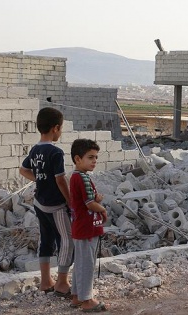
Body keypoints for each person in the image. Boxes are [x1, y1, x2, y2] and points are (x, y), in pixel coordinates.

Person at [20, 107, 73, 297]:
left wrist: (40, 179)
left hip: (39, 203)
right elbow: (60, 179)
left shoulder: (35, 150)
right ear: (56, 128)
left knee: (46, 240)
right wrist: (71, 201)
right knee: (67, 241)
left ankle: (45, 281)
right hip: (55, 205)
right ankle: (62, 282)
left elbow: (23, 170)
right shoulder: (56, 152)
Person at [69, 139, 108, 312]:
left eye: (96, 157)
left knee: (80, 262)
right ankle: (87, 300)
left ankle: (77, 295)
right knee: (87, 264)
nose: (94, 161)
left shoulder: (77, 176)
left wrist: (95, 200)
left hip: (81, 227)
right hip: (86, 228)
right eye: (90, 157)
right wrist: (103, 209)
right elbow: (88, 204)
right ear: (78, 159)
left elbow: (87, 199)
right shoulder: (82, 177)